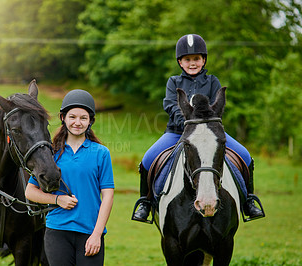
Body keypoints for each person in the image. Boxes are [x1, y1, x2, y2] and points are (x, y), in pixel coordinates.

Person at [132, 34, 264, 222]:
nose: (192, 63)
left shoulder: (212, 81)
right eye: (187, 59)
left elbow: (217, 107)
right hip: (177, 132)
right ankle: (145, 203)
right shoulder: (173, 82)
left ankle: (249, 201)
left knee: (244, 155)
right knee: (147, 159)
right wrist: (186, 120)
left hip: (210, 134)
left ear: (203, 60)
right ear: (180, 62)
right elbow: (170, 105)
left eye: (196, 58)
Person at [25, 89, 115, 266]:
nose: (77, 122)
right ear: (63, 118)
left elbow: (108, 195)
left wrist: (97, 234)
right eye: (72, 117)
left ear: (90, 121)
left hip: (90, 234)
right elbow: (30, 191)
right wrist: (57, 200)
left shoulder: (101, 153)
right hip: (57, 232)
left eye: (83, 118)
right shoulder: (50, 154)